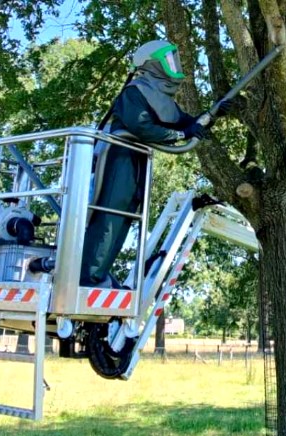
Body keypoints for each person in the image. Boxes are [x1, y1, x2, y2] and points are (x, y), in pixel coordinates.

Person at [80, 40, 231, 287]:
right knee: (110, 214)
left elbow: (186, 123)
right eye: (168, 60)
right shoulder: (135, 91)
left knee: (127, 214)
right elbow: (141, 126)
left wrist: (213, 114)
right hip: (118, 156)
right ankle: (88, 277)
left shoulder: (162, 99)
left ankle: (97, 275)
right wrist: (183, 134)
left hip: (137, 159)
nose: (174, 65)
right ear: (152, 64)